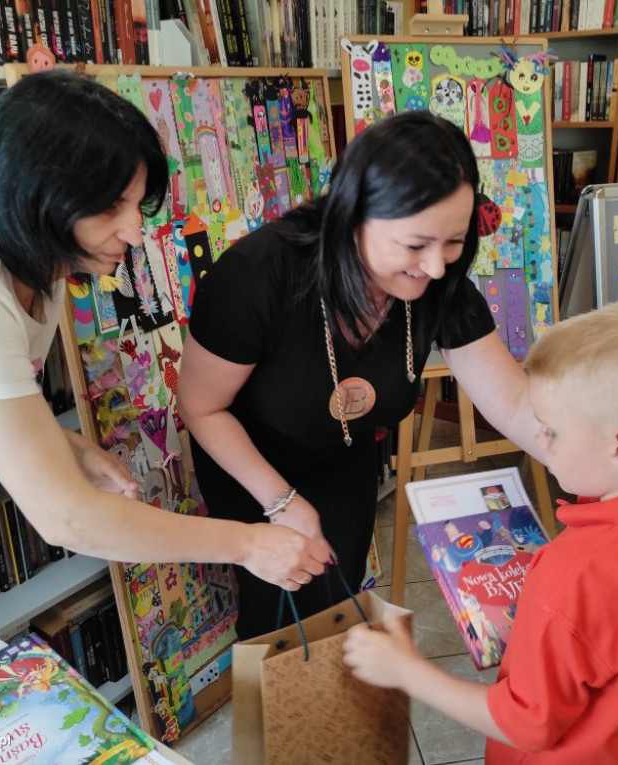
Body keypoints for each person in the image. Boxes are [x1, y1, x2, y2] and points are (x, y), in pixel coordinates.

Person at [0, 71, 330, 714]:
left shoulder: (42, 274)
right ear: (36, 192)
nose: (135, 231)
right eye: (109, 207)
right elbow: (65, 518)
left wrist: (64, 445)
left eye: (135, 205)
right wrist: (248, 542)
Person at [177, 111, 544, 639]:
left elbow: (512, 403)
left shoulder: (439, 286)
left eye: (454, 243)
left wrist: (603, 470)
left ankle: (323, 715)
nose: (437, 267)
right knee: (276, 609)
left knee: (331, 601)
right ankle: (279, 711)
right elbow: (200, 406)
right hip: (248, 456)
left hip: (341, 452)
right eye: (415, 245)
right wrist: (281, 503)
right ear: (354, 218)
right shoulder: (256, 277)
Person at [343, 297, 618, 764]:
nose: (538, 440)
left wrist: (409, 672)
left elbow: (525, 724)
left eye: (551, 430)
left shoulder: (574, 571)